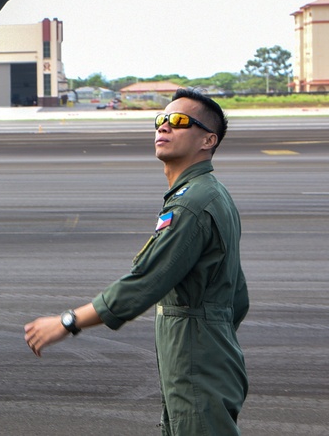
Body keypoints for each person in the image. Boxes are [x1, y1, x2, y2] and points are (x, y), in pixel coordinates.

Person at [24, 88, 248, 435]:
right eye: (160, 120)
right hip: (205, 352)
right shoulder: (209, 194)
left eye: (178, 121)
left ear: (208, 140)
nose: (164, 127)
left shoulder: (191, 204)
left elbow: (146, 281)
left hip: (196, 358)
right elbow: (237, 296)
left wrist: (68, 321)